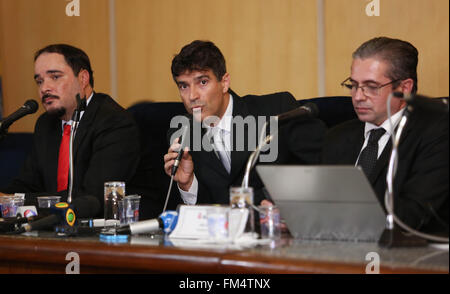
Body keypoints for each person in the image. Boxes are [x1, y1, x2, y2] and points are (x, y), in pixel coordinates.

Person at [0, 44, 160, 219]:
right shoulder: (46, 124)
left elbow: (91, 198)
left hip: (109, 229)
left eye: (55, 77)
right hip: (58, 226)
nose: (44, 88)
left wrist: (14, 200)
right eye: (39, 81)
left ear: (83, 78)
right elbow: (28, 183)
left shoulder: (114, 122)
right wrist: (6, 198)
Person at [163, 40, 326, 207]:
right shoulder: (183, 135)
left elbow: (323, 165)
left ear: (225, 82)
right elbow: (208, 209)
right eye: (183, 86)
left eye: (202, 82)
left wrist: (275, 197)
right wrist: (188, 184)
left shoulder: (277, 110)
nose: (192, 96)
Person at [322, 37, 449, 234]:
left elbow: (411, 215)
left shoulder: (436, 134)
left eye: (371, 87)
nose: (357, 96)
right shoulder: (337, 136)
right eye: (353, 85)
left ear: (404, 88)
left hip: (409, 255)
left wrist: (332, 217)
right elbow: (321, 200)